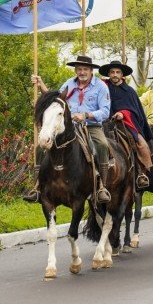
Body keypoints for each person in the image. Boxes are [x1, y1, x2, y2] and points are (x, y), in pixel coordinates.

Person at [31, 55, 112, 203]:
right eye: (79, 69)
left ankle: (101, 186)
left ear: (91, 71)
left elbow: (105, 111)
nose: (82, 72)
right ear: (75, 70)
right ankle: (37, 186)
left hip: (90, 126)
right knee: (40, 147)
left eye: (85, 69)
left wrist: (86, 115)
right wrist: (41, 84)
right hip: (68, 127)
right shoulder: (69, 83)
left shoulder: (101, 86)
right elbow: (57, 100)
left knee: (102, 145)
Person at [99, 60, 153, 189]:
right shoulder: (103, 88)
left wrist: (123, 113)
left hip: (125, 123)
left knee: (140, 144)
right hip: (104, 122)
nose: (114, 74)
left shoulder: (129, 91)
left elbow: (135, 110)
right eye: (112, 72)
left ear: (122, 75)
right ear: (109, 74)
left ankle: (141, 173)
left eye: (117, 72)